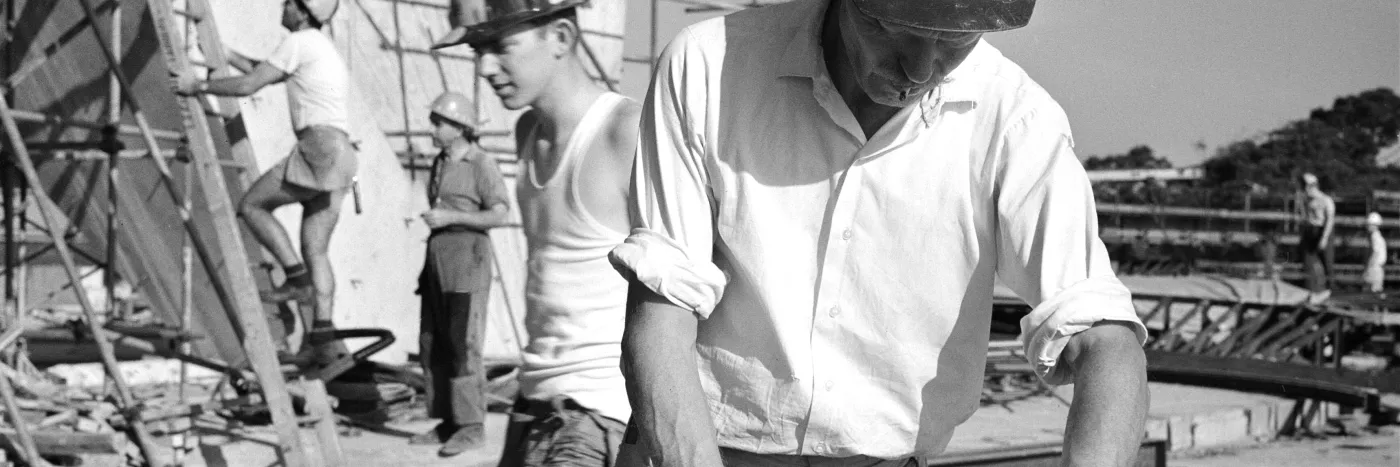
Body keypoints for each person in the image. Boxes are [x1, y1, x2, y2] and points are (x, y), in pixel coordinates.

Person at [610, 0, 1150, 465]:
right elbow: (660, 320)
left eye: (955, 39)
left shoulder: (1015, 122)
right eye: (892, 27)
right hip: (696, 447)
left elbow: (1104, 339)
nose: (919, 68)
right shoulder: (709, 67)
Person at [432, 0, 642, 464]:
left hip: (599, 411)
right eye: (478, 49)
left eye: (502, 46)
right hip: (535, 398)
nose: (485, 66)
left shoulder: (625, 132)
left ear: (562, 38)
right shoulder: (526, 130)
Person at [176, 0, 352, 355]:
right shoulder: (319, 47)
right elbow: (266, 70)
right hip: (343, 152)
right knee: (316, 250)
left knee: (252, 205)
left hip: (318, 146)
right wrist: (226, 54)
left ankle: (297, 281)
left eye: (289, 3)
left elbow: (248, 86)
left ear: (303, 12)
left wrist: (198, 87)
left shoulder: (299, 41)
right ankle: (322, 338)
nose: (282, 7)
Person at [409, 91, 512, 457]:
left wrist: (452, 217)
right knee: (433, 341)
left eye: (439, 123)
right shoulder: (439, 162)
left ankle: (471, 426)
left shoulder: (480, 162)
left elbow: (500, 212)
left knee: (462, 342)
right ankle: (447, 420)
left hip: (467, 260)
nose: (433, 129)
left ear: (459, 127)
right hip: (437, 258)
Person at [1296, 172, 1335, 303]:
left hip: (1323, 231)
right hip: (1311, 231)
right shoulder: (1307, 200)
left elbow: (1329, 220)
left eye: (1306, 186)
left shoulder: (1326, 200)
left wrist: (1324, 238)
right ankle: (1311, 291)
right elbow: (1306, 217)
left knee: (1327, 262)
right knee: (1308, 260)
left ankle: (1331, 291)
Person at [1364, 212, 1386, 295]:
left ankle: (1380, 306)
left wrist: (1369, 265)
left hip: (1375, 266)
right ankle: (1380, 307)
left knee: (1374, 290)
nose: (1368, 226)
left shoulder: (1374, 236)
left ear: (1375, 225)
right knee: (1377, 288)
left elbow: (1375, 252)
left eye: (1369, 224)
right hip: (1379, 266)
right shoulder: (1378, 236)